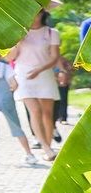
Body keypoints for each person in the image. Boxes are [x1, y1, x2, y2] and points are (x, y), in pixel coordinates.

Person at [10, 10, 61, 161]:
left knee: (47, 113)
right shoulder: (18, 33)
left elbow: (54, 57)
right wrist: (18, 41)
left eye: (37, 14)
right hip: (24, 76)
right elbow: (10, 57)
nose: (34, 17)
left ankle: (48, 147)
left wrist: (39, 70)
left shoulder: (52, 33)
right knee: (35, 111)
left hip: (44, 75)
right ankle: (45, 147)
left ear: (42, 14)